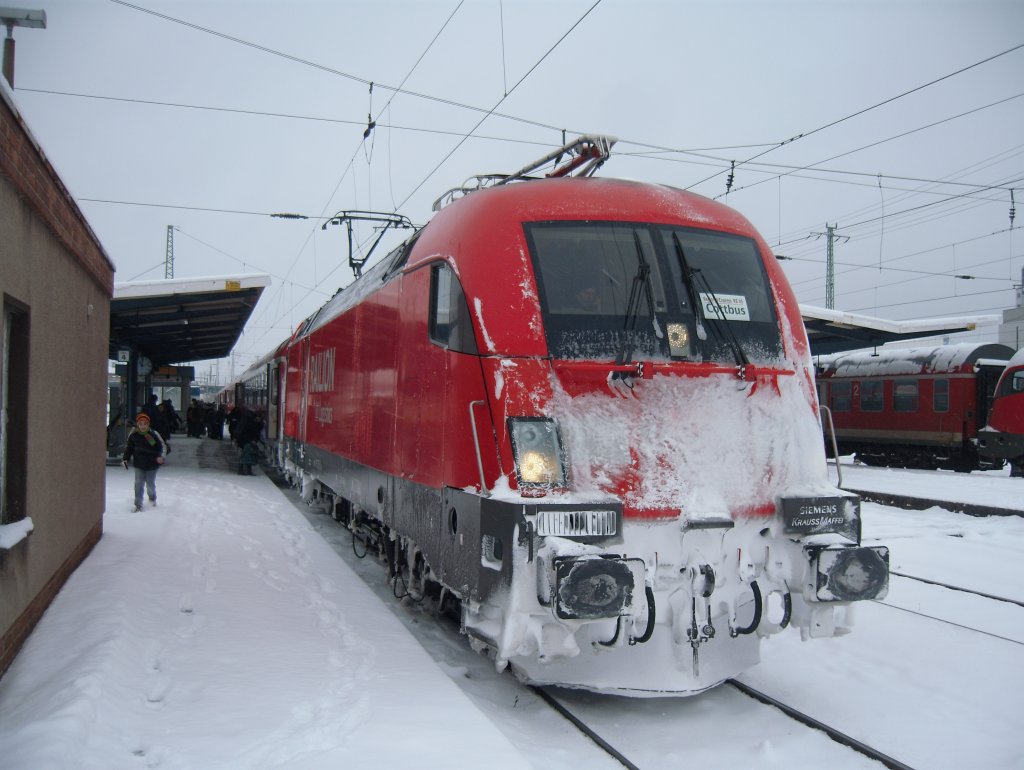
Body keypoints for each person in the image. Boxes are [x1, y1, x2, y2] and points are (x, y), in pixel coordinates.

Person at [122, 412, 167, 511]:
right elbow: (129, 448)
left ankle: (152, 498)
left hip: (152, 464)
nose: (143, 426)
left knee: (150, 484)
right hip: (139, 464)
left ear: (148, 425)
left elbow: (159, 447)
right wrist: (125, 458)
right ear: (137, 424)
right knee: (138, 484)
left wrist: (161, 457)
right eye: (140, 424)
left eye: (145, 424)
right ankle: (138, 504)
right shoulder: (134, 435)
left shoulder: (151, 435)